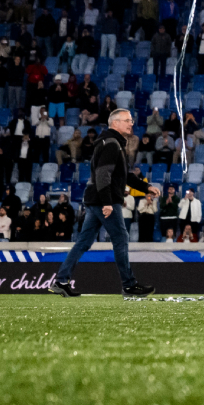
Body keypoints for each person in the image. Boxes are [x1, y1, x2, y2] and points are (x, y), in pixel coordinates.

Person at [50, 108, 153, 299]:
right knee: (120, 238)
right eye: (127, 120)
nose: (131, 123)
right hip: (104, 200)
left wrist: (146, 187)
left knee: (83, 242)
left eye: (131, 120)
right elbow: (103, 174)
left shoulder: (112, 143)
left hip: (95, 199)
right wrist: (107, 202)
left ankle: (61, 281)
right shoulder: (112, 144)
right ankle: (129, 285)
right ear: (115, 123)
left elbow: (124, 175)